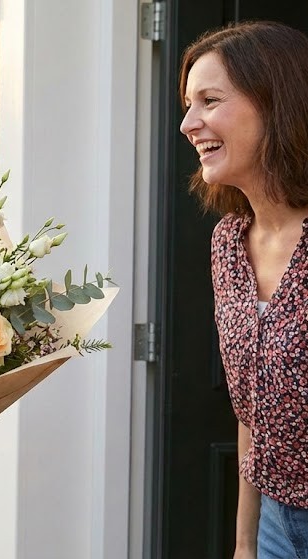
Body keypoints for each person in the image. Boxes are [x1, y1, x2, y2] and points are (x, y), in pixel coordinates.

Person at [179, 20, 308, 559]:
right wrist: (244, 542)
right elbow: (251, 410)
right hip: (276, 525)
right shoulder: (228, 244)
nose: (189, 123)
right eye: (188, 105)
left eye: (210, 100)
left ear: (277, 103)